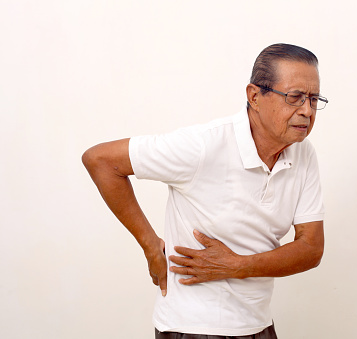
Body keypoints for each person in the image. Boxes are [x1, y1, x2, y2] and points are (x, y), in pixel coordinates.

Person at [82, 43, 328, 339]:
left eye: (314, 99)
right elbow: (101, 160)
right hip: (192, 328)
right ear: (254, 96)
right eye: (295, 97)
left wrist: (238, 266)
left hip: (259, 326)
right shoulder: (203, 145)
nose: (307, 111)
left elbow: (311, 249)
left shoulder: (303, 154)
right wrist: (149, 243)